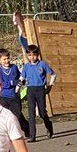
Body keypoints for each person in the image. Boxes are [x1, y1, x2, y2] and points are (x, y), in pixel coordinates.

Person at [12, 12, 57, 141]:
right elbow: (22, 78)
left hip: (40, 89)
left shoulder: (42, 64)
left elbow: (53, 74)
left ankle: (48, 125)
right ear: (27, 55)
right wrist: (17, 89)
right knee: (31, 113)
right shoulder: (26, 66)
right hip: (30, 89)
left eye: (34, 55)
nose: (32, 57)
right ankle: (32, 135)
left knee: (42, 112)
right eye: (30, 55)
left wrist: (50, 86)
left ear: (37, 55)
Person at [0, 48, 26, 134]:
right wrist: (12, 83)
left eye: (8, 58)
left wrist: (22, 81)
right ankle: (10, 134)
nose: (7, 61)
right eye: (4, 59)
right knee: (5, 117)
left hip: (14, 95)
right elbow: (0, 83)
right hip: (3, 96)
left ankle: (26, 127)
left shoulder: (14, 67)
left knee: (17, 115)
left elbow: (20, 77)